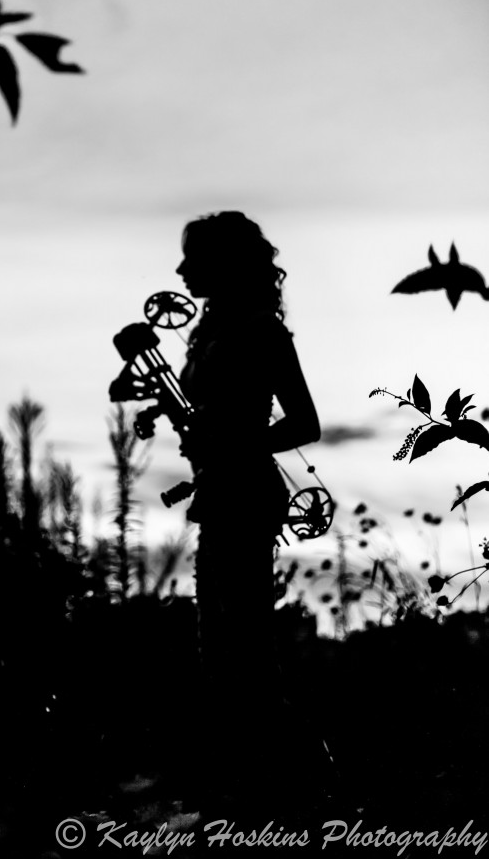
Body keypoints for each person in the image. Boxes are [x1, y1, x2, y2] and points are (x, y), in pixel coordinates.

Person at [174, 210, 322, 810]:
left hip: (246, 497)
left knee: (245, 652)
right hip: (217, 495)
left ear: (225, 266)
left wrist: (236, 442)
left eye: (195, 259)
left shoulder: (262, 331)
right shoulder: (210, 331)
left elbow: (304, 422)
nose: (183, 270)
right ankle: (253, 785)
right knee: (219, 648)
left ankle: (293, 787)